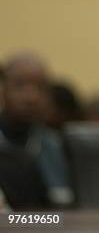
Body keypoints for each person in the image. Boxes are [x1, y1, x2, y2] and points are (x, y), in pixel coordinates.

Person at [0, 53, 73, 206]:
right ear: (3, 88)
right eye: (19, 85)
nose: (31, 96)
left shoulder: (57, 146)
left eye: (40, 87)